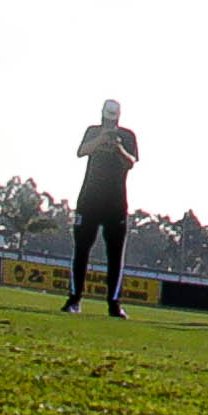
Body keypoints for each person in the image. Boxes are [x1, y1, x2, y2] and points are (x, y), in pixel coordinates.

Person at [66, 99, 137, 318]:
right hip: (89, 199)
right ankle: (75, 298)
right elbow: (81, 151)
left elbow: (132, 161)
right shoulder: (92, 131)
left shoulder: (127, 136)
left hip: (115, 203)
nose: (109, 120)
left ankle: (114, 303)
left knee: (115, 255)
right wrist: (100, 141)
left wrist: (118, 148)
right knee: (81, 250)